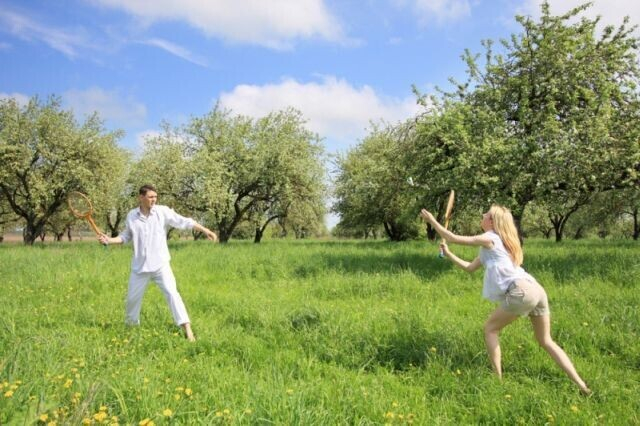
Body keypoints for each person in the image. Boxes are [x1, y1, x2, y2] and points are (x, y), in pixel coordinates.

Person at [420, 204, 591, 395]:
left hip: (521, 291)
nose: (483, 214)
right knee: (545, 340)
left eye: (486, 214)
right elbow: (469, 268)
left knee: (490, 329)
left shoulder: (491, 238)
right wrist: (449, 254)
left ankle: (498, 381)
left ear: (492, 222)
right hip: (536, 290)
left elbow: (453, 237)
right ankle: (582, 386)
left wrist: (432, 221)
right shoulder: (496, 244)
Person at [98, 184, 218, 341]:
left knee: (173, 295)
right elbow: (126, 236)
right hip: (139, 268)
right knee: (132, 300)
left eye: (155, 197)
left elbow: (184, 221)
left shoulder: (162, 212)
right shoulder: (132, 215)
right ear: (141, 197)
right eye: (150, 197)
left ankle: (188, 330)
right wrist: (109, 240)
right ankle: (131, 332)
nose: (154, 200)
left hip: (160, 265)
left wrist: (205, 230)